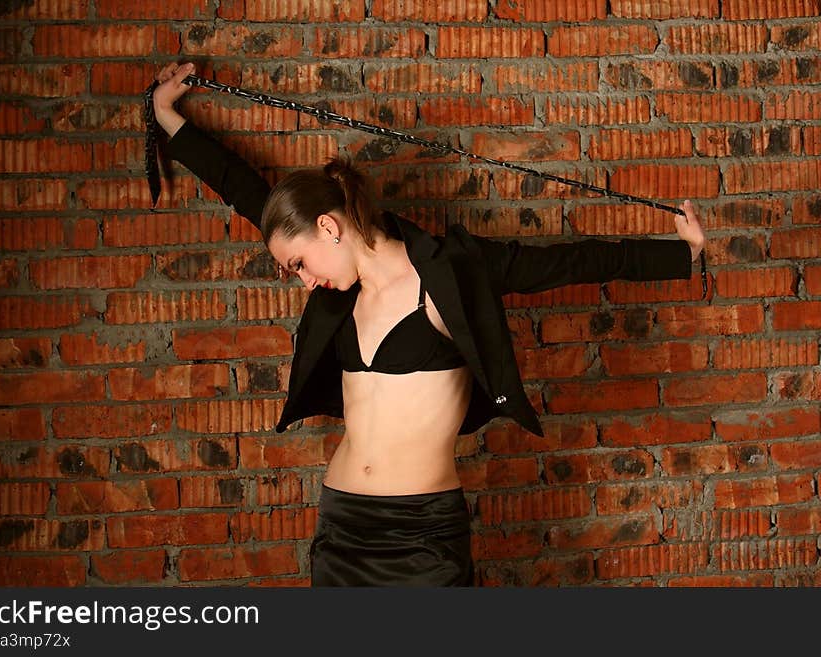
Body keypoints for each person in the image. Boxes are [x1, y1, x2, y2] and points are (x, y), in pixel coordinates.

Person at [151, 62, 707, 586]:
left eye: (299, 263)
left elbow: (569, 262)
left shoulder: (449, 272)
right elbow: (246, 190)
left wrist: (681, 256)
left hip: (422, 535)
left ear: (328, 226)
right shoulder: (339, 296)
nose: (304, 281)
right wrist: (168, 118)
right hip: (341, 526)